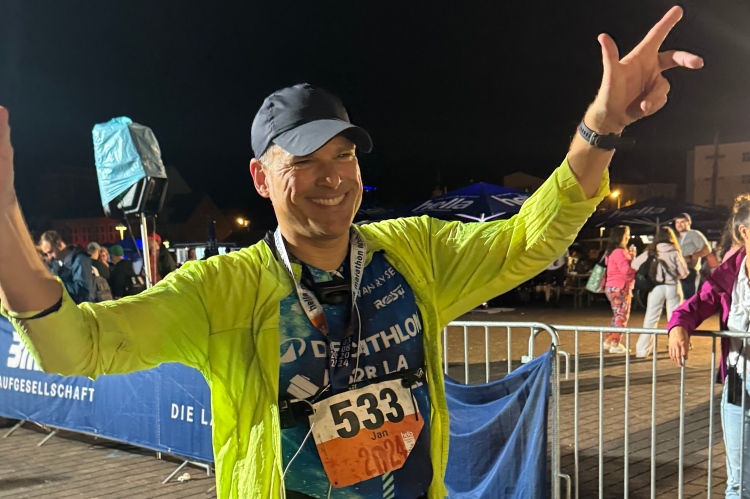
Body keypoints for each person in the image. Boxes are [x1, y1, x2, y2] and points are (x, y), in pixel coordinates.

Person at [0, 7, 703, 498]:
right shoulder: (225, 289)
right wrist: (5, 218)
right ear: (261, 178)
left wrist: (602, 126)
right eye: (305, 161)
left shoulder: (412, 253)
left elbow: (531, 236)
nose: (333, 177)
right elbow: (76, 346)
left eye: (344, 155)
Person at [668, 194, 750, 499]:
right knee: (738, 484)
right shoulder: (728, 275)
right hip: (738, 382)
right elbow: (694, 305)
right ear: (745, 232)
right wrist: (678, 326)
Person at [631, 226, 687, 358]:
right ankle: (677, 348)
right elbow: (684, 273)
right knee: (675, 319)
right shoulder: (675, 252)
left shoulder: (651, 252)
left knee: (650, 318)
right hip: (673, 287)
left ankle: (642, 350)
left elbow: (634, 265)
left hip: (656, 287)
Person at [602, 225, 637, 354]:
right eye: (626, 234)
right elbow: (626, 270)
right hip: (621, 287)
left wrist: (631, 256)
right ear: (620, 236)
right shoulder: (620, 252)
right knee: (622, 316)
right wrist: (635, 263)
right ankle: (615, 343)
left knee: (617, 315)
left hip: (612, 287)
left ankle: (609, 340)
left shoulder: (611, 251)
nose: (628, 237)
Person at [38, 230, 96, 304]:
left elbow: (82, 292)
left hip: (81, 308)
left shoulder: (80, 260)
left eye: (50, 252)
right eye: (46, 254)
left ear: (59, 244)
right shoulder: (54, 263)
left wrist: (55, 284)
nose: (49, 257)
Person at [674, 212, 711, 299]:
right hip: (677, 271)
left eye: (682, 222)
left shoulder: (694, 234)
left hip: (690, 271)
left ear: (689, 222)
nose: (679, 224)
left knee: (688, 299)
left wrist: (690, 257)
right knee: (678, 298)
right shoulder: (676, 236)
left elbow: (707, 249)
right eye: (677, 222)